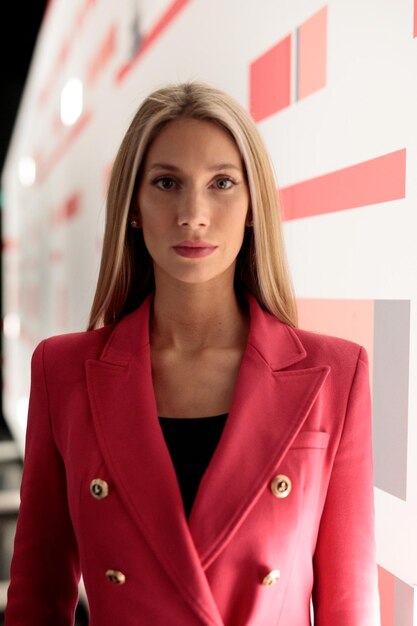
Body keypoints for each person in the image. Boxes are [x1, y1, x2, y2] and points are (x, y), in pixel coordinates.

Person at [5, 80, 381, 625]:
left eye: (222, 183)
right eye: (166, 183)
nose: (193, 213)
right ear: (132, 206)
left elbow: (349, 607)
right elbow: (37, 599)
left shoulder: (335, 376)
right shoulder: (62, 372)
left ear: (254, 206)